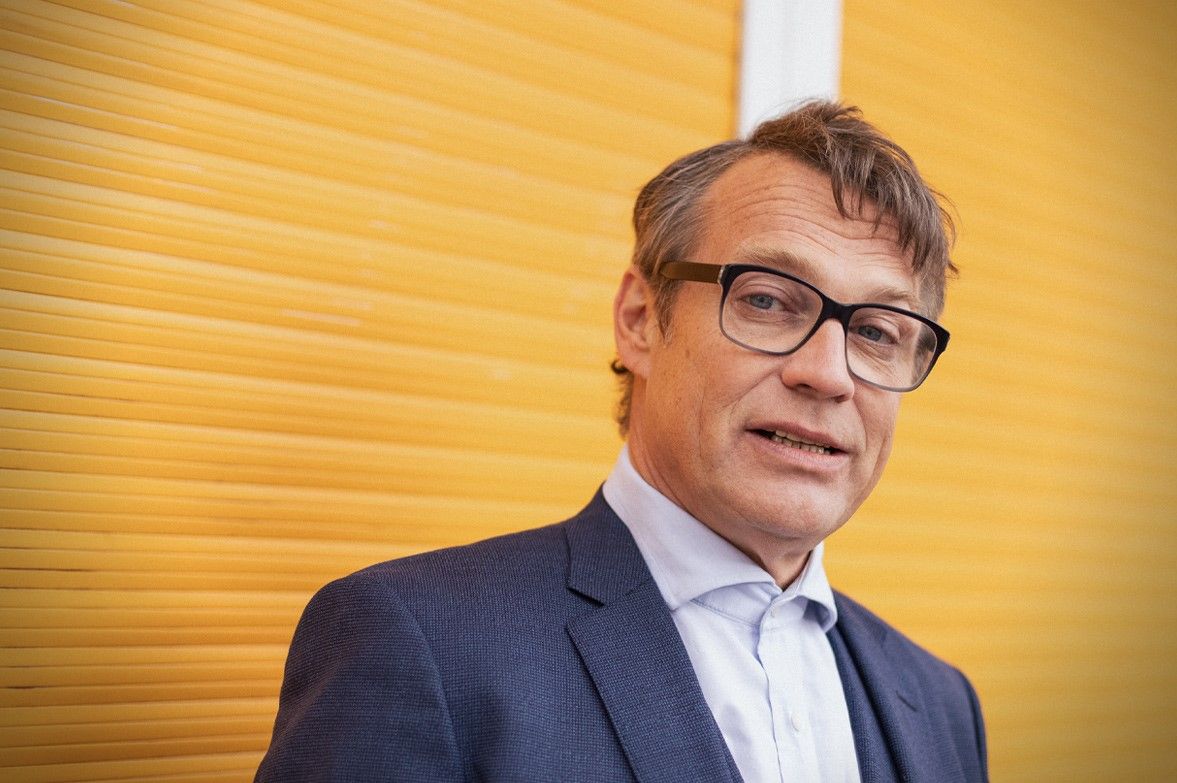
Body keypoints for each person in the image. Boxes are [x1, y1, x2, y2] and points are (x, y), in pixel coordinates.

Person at [256, 101, 988, 783]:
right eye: (766, 299)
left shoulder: (944, 703)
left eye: (877, 332)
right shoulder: (416, 643)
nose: (827, 374)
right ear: (640, 319)